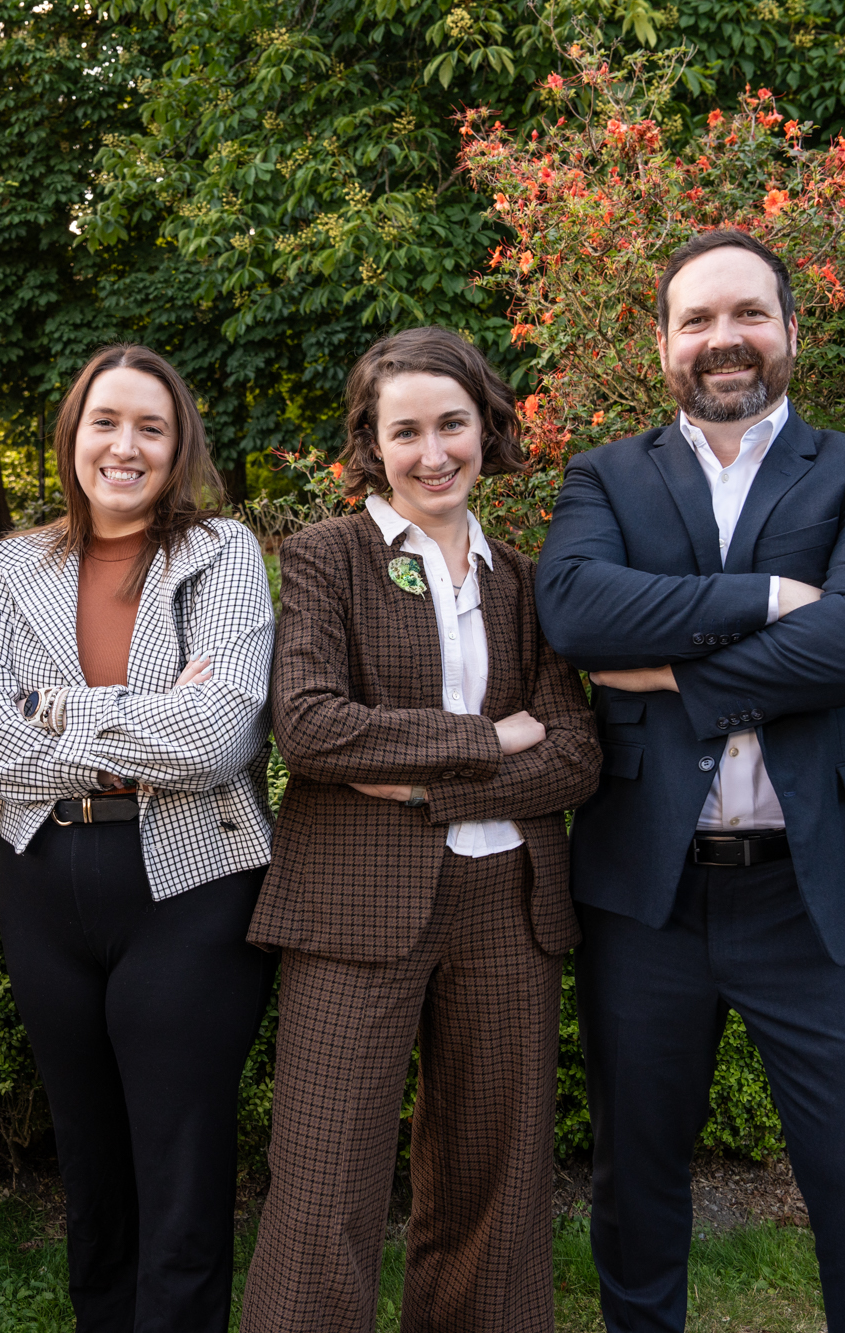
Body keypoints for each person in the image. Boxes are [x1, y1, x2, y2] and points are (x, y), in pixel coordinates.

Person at [535, 228, 845, 1332]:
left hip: (822, 899)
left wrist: (669, 668)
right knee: (634, 1188)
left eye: (747, 314)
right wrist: (774, 597)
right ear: (662, 343)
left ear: (790, 334)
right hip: (644, 900)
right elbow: (574, 611)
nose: (724, 339)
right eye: (697, 320)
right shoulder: (604, 479)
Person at [239, 326, 601, 1333]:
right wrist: (484, 741)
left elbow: (574, 750)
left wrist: (420, 786)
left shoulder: (523, 581)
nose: (432, 452)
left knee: (495, 1180)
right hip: (351, 905)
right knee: (323, 1184)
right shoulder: (326, 556)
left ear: (486, 428)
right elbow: (310, 727)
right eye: (405, 431)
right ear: (371, 442)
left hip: (507, 907)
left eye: (452, 424)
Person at [0, 344, 277, 1333]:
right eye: (105, 422)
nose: (124, 446)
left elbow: (216, 732)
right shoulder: (13, 567)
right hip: (45, 881)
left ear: (178, 444)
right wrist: (134, 722)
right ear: (72, 435)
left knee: (179, 1164)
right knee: (89, 1159)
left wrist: (56, 713)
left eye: (150, 425)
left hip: (190, 885)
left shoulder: (220, 552)